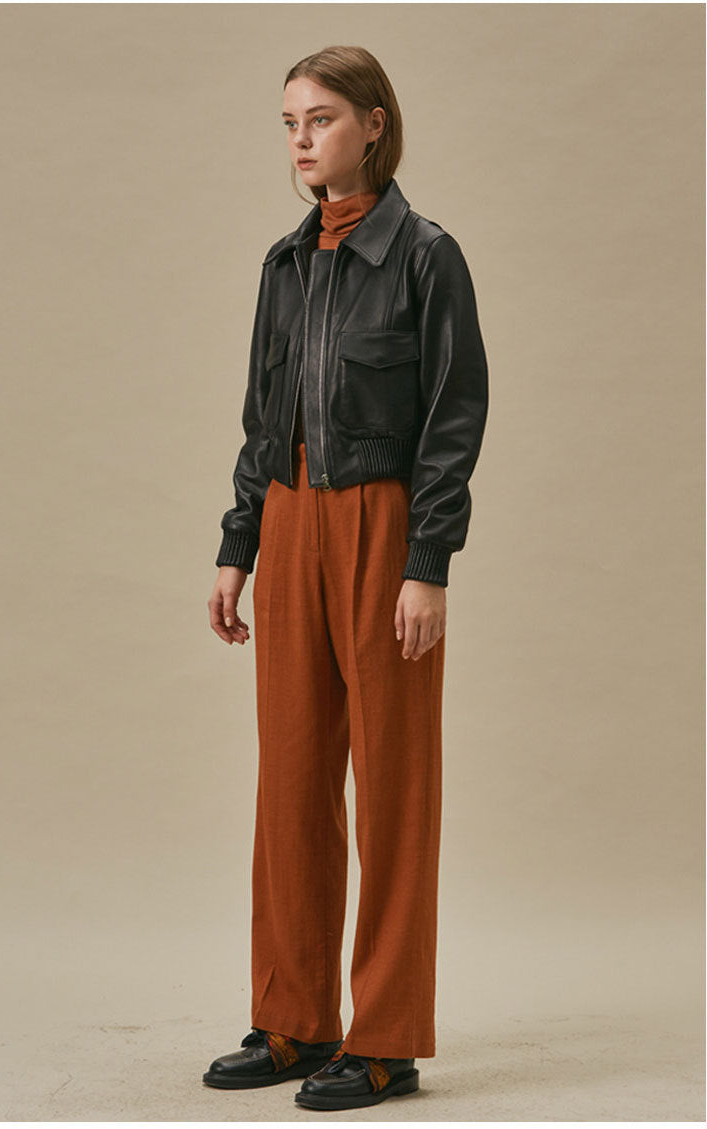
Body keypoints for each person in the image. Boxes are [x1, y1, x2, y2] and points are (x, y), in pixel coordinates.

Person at [203, 45, 489, 1111]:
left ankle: (384, 1038)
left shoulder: (424, 256)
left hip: (381, 527)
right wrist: (238, 545)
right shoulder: (284, 265)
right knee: (290, 779)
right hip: (289, 522)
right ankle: (293, 1018)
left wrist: (427, 562)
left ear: (374, 123)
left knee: (396, 788)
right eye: (289, 123)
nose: (300, 140)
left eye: (319, 118)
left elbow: (453, 418)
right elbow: (261, 419)